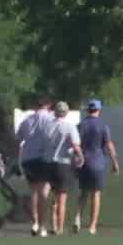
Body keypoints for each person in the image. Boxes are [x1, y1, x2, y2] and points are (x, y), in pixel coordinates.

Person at [74, 99, 120, 235]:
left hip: (83, 163)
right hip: (97, 163)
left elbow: (75, 144)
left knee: (83, 193)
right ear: (99, 110)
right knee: (95, 194)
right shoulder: (103, 125)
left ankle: (77, 218)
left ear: (88, 110)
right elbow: (109, 144)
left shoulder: (80, 125)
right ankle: (92, 226)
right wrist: (115, 162)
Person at [15, 98, 56, 236]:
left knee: (34, 192)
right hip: (44, 158)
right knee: (44, 192)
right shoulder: (51, 119)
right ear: (48, 105)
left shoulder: (27, 120)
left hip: (28, 158)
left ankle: (35, 223)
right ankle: (42, 226)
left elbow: (19, 138)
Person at [42, 101, 83, 235]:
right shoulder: (69, 127)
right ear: (66, 112)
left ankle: (50, 226)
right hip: (63, 164)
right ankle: (59, 228)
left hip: (48, 164)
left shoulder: (47, 126)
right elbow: (75, 146)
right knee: (61, 199)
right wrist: (81, 157)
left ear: (55, 112)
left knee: (52, 199)